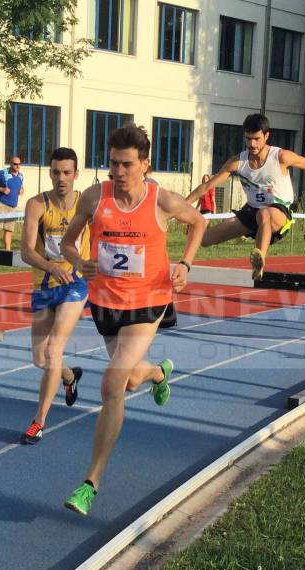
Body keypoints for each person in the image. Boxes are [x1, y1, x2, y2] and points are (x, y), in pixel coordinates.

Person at [59, 124, 206, 516]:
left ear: (145, 164)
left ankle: (90, 482)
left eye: (126, 164)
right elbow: (67, 243)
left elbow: (199, 222)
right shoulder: (94, 197)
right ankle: (158, 373)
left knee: (111, 383)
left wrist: (186, 263)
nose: (118, 172)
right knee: (131, 375)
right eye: (112, 163)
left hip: (149, 301)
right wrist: (81, 263)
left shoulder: (162, 200)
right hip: (107, 303)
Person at [186, 113, 305, 280]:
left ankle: (258, 264)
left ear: (266, 136)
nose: (252, 144)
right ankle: (183, 264)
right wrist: (182, 205)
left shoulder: (280, 157)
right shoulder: (237, 162)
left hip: (280, 212)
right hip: (252, 211)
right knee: (203, 238)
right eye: (248, 139)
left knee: (265, 214)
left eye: (256, 139)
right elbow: (207, 186)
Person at [18, 147, 89, 444]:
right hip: (45, 285)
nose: (62, 178)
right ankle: (69, 377)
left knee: (53, 350)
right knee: (40, 358)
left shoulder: (87, 203)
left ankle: (39, 421)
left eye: (67, 172)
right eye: (56, 172)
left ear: (75, 174)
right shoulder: (37, 205)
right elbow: (25, 251)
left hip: (75, 284)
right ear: (50, 172)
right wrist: (51, 268)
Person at [0, 156, 24, 250]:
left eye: (19, 164)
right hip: (1, 204)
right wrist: (2, 189)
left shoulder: (20, 176)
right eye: (15, 164)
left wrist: (22, 190)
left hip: (13, 206)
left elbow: (21, 187)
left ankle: (7, 251)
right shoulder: (2, 173)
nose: (17, 166)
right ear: (11, 164)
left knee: (9, 230)